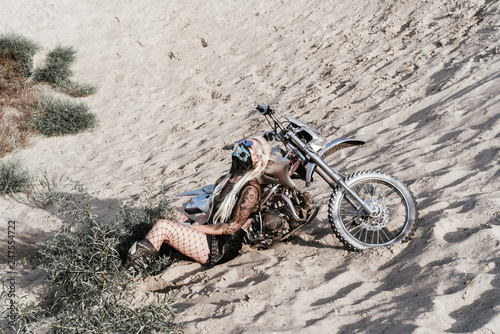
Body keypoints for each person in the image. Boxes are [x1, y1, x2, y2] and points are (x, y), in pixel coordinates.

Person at [123, 136, 272, 272]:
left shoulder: (251, 188)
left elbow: (230, 228)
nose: (241, 146)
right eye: (242, 142)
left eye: (248, 146)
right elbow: (208, 216)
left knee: (163, 225)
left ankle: (126, 274)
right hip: (209, 233)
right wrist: (192, 227)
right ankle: (153, 255)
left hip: (221, 247)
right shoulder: (224, 180)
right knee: (165, 212)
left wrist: (195, 229)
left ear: (256, 159)